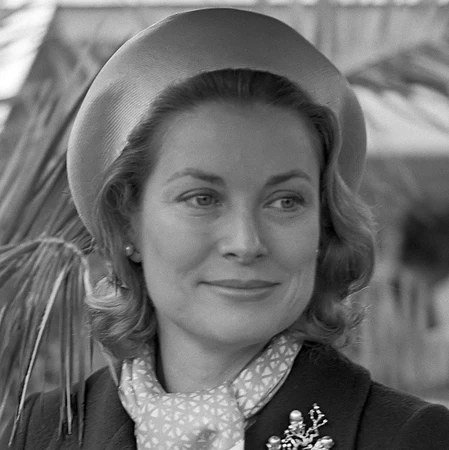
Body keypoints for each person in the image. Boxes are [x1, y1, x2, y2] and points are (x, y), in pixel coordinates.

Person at [2, 7, 449, 450]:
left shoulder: (413, 438)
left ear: (323, 225)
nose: (246, 243)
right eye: (202, 199)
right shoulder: (36, 434)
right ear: (127, 225)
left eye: (285, 201)